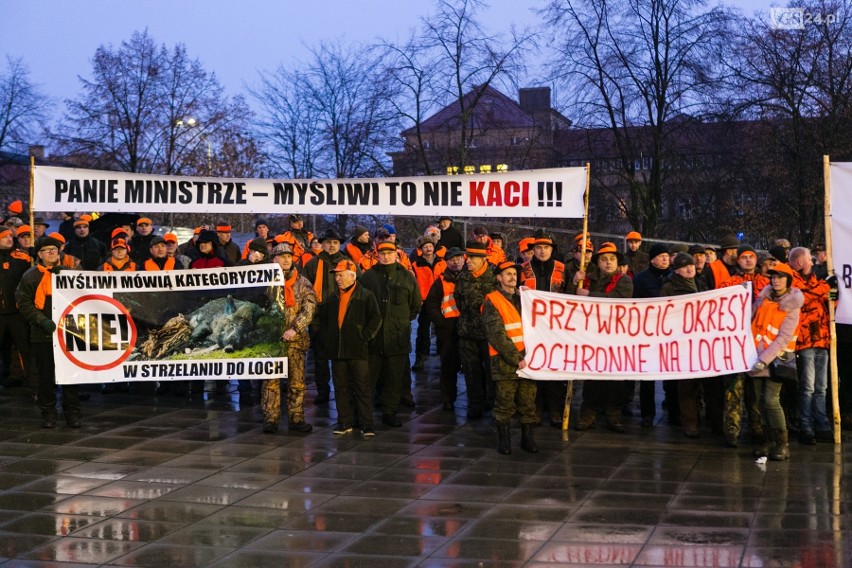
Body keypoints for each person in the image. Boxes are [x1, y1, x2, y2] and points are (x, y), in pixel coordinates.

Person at [568, 242, 633, 432]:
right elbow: (571, 302)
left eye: (612, 259)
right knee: (592, 379)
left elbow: (619, 300)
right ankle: (588, 415)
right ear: (598, 262)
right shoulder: (586, 279)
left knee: (614, 380)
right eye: (604, 259)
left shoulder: (625, 281)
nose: (608, 263)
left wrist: (589, 295)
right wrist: (574, 283)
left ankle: (613, 416)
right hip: (592, 337)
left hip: (615, 336)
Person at [17, 235, 81, 428]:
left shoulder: (69, 273)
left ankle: (72, 413)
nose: (53, 252)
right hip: (42, 333)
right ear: (40, 254)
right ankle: (49, 413)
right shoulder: (30, 276)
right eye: (48, 250)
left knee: (71, 376)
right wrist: (42, 320)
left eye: (55, 249)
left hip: (68, 332)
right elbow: (24, 303)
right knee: (45, 376)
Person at [317, 259, 382, 437]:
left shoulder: (366, 295)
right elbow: (323, 322)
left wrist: (364, 337)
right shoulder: (331, 298)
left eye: (341, 275)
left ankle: (367, 425)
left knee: (362, 388)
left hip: (358, 350)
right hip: (337, 351)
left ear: (352, 276)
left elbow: (376, 318)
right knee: (341, 388)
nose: (337, 278)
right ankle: (344, 422)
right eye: (336, 275)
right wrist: (327, 339)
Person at [359, 242, 422, 427]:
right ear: (377, 254)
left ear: (397, 254)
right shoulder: (368, 277)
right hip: (374, 337)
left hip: (397, 337)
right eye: (382, 253)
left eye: (390, 253)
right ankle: (363, 414)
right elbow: (360, 304)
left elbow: (415, 305)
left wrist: (399, 321)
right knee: (368, 379)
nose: (386, 256)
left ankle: (390, 412)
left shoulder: (407, 277)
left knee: (394, 378)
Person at [748, 262, 803, 461]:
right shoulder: (763, 298)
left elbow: (783, 338)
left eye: (780, 277)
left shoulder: (792, 306)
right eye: (773, 277)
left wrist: (763, 360)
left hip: (778, 360)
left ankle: (782, 444)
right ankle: (767, 441)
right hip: (756, 356)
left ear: (788, 280)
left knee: (771, 400)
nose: (776, 280)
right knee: (760, 402)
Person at [262, 242, 318, 434]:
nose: (286, 259)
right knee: (270, 382)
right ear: (274, 259)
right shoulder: (264, 281)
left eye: (289, 256)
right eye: (281, 256)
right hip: (271, 342)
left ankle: (296, 418)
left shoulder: (302, 282)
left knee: (297, 382)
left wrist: (295, 328)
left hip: (295, 341)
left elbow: (309, 308)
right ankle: (271, 419)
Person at [483, 260, 537, 454]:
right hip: (505, 363)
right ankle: (504, 440)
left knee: (528, 402)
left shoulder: (525, 298)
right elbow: (496, 335)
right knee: (504, 404)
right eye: (508, 274)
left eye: (514, 273)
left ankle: (527, 438)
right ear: (499, 278)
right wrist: (516, 358)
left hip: (528, 361)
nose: (512, 277)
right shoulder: (492, 300)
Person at [719, 244, 769, 447]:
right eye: (744, 257)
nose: (748, 260)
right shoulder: (728, 284)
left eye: (751, 257)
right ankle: (732, 431)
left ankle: (758, 429)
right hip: (735, 347)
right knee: (734, 391)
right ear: (737, 260)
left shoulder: (766, 284)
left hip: (758, 347)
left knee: (756, 393)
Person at [520, 231, 568, 428]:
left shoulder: (563, 269)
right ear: (533, 250)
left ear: (552, 250)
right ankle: (536, 408)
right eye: (538, 247)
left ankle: (556, 410)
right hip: (531, 328)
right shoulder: (522, 269)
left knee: (555, 368)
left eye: (546, 247)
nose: (541, 251)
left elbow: (572, 296)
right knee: (535, 367)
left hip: (556, 327)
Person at [789, 246, 833, 444]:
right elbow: (803, 300)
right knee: (807, 387)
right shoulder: (791, 281)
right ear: (799, 262)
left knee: (821, 387)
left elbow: (827, 303)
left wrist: (834, 295)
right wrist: (825, 288)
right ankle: (805, 426)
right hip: (805, 341)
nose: (813, 262)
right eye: (810, 259)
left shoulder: (816, 281)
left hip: (821, 339)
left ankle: (821, 423)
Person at [661, 252, 708, 438]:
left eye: (690, 265)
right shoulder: (669, 288)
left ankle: (699, 416)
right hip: (680, 343)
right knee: (685, 385)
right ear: (677, 270)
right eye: (684, 266)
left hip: (701, 341)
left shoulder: (701, 284)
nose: (689, 268)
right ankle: (690, 422)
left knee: (701, 385)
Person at [303, 228, 349, 403]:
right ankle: (323, 391)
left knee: (342, 357)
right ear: (322, 244)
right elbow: (304, 288)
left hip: (342, 316)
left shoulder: (347, 263)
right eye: (328, 242)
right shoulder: (313, 264)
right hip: (318, 318)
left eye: (335, 242)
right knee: (320, 359)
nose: (331, 245)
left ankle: (343, 391)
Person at [632, 242, 675, 428]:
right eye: (661, 255)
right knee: (647, 377)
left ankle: (674, 413)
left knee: (672, 376)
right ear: (652, 259)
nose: (665, 258)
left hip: (671, 334)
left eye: (667, 255)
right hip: (647, 333)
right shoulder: (641, 279)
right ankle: (647, 414)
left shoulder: (676, 277)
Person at [454, 240, 497, 419]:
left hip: (490, 335)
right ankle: (475, 405)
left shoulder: (495, 276)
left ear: (482, 258)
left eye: (471, 257)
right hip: (467, 333)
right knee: (471, 372)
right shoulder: (462, 277)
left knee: (492, 372)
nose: (467, 260)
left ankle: (493, 404)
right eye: (467, 257)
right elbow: (458, 300)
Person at [424, 247, 465, 411]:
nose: (455, 262)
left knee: (473, 368)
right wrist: (440, 323)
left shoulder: (470, 278)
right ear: (446, 262)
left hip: (468, 327)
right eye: (451, 259)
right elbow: (431, 304)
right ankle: (448, 399)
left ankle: (478, 401)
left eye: (458, 258)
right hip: (448, 328)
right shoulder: (441, 281)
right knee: (448, 366)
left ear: (463, 259)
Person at [0, 227, 34, 390]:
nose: (9, 239)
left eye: (10, 237)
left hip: (16, 312)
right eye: (4, 237)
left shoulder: (23, 258)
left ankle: (32, 381)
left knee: (24, 347)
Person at [411, 235, 445, 371]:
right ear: (421, 249)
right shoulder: (415, 264)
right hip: (424, 301)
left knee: (442, 329)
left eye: (430, 246)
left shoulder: (442, 262)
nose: (428, 248)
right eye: (425, 246)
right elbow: (414, 284)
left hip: (440, 301)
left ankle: (444, 356)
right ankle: (420, 357)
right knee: (423, 330)